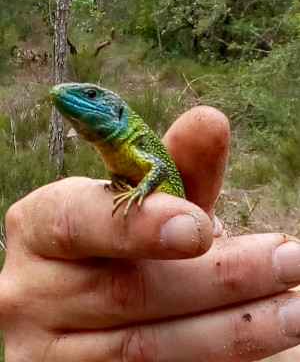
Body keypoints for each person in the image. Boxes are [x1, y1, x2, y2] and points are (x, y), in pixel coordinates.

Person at [0, 106, 300, 362]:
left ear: (116, 111)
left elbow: (156, 168)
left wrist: (141, 191)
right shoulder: (118, 150)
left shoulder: (134, 143)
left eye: (92, 96)